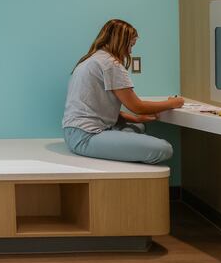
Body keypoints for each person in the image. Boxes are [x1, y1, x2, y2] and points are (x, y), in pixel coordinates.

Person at [62, 19, 184, 164]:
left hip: (73, 131)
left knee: (138, 126)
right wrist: (172, 103)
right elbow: (137, 107)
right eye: (130, 45)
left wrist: (136, 119)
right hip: (86, 136)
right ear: (120, 41)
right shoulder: (110, 64)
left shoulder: (92, 60)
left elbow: (96, 107)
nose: (130, 51)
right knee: (164, 149)